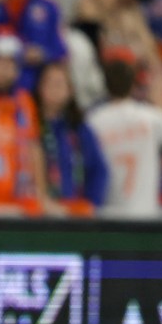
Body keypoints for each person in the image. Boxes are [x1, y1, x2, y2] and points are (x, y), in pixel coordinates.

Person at [86, 59, 162, 218]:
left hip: (106, 212)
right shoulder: (150, 116)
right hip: (145, 211)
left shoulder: (93, 120)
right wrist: (160, 103)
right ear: (132, 85)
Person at [0, 34, 49, 214]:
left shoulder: (25, 102)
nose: (4, 69)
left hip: (20, 204)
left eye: (10, 63)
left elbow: (33, 147)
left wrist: (42, 196)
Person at [34, 62, 108, 214]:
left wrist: (91, 204)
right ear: (40, 88)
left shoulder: (80, 129)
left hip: (75, 212)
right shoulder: (30, 127)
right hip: (41, 213)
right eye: (50, 83)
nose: (55, 89)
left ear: (70, 90)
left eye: (60, 84)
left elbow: (99, 169)